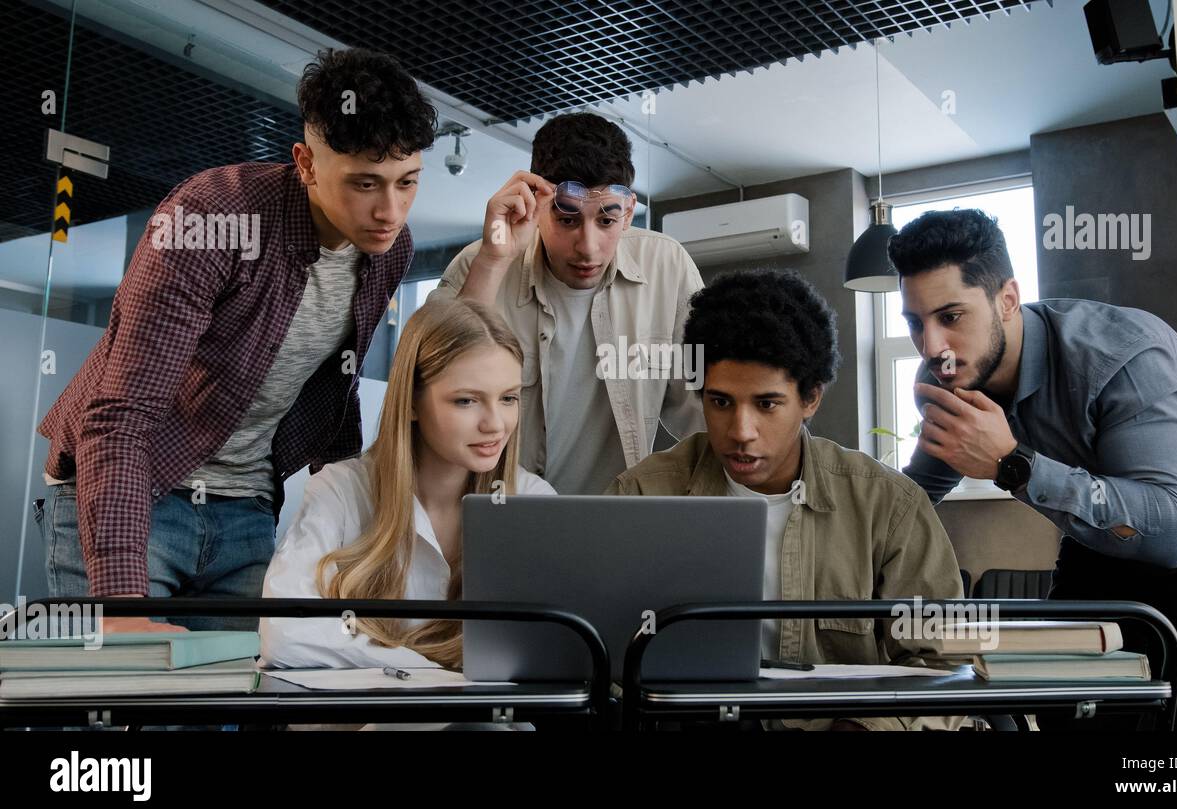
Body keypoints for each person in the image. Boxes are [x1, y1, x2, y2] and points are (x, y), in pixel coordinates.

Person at [35, 48, 436, 633]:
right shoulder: (212, 217)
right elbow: (121, 415)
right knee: (124, 703)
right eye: (365, 184)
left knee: (249, 699)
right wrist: (121, 611)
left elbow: (334, 392)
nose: (390, 210)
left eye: (408, 183)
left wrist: (356, 538)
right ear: (305, 162)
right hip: (131, 489)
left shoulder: (390, 250)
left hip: (247, 506)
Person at [893, 208, 1177, 731]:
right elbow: (915, 496)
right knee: (1071, 707)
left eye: (951, 317)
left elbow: (1170, 532)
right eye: (916, 323)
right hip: (1101, 533)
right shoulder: (947, 375)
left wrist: (1012, 464)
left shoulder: (1121, 354)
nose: (933, 347)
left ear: (1007, 299)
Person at [607, 269, 965, 731]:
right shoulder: (641, 497)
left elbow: (945, 667)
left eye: (767, 404)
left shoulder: (888, 505)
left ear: (811, 398)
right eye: (719, 403)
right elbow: (605, 664)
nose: (740, 431)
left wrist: (866, 727)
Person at [259, 298, 555, 670]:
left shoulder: (533, 502)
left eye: (508, 398)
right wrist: (436, 678)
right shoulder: (342, 491)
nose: (495, 424)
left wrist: (386, 664)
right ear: (411, 402)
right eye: (466, 401)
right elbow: (285, 636)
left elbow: (548, 652)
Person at [430, 112, 705, 494]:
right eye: (568, 219)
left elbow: (703, 411)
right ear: (537, 205)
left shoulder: (667, 267)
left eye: (606, 221)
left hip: (616, 522)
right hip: (500, 512)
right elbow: (432, 387)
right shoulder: (480, 263)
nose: (587, 247)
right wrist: (493, 262)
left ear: (628, 213)